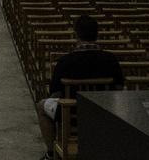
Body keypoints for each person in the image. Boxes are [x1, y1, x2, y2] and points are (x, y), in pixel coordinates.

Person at [36, 15, 124, 156]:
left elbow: (54, 93)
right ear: (97, 34)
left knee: (41, 106)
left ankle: (51, 153)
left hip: (71, 113)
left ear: (76, 35)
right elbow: (119, 88)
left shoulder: (65, 61)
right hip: (105, 112)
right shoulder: (111, 60)